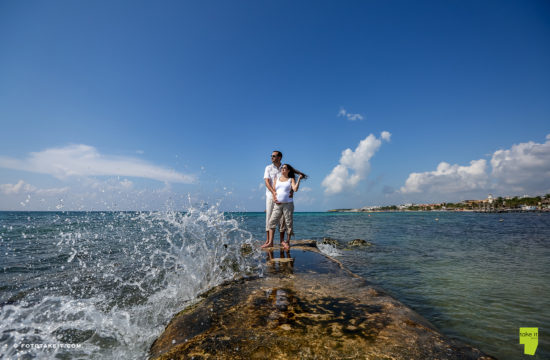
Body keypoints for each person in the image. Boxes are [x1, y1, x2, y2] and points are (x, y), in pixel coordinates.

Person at [262, 164, 307, 250]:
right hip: (278, 204)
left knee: (288, 223)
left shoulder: (291, 179)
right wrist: (275, 198)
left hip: (288, 204)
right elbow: (274, 190)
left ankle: (287, 242)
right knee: (271, 222)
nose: (282, 169)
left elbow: (295, 189)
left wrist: (299, 180)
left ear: (288, 170)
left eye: (284, 168)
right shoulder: (277, 179)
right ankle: (270, 242)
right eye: (282, 168)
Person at [263, 151, 287, 246]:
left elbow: (289, 179)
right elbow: (267, 182)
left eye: (274, 156)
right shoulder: (268, 168)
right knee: (269, 217)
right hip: (270, 195)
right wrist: (273, 192)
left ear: (279, 157)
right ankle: (269, 241)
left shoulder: (284, 168)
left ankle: (282, 241)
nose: (272, 158)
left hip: (282, 197)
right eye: (271, 156)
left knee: (282, 218)